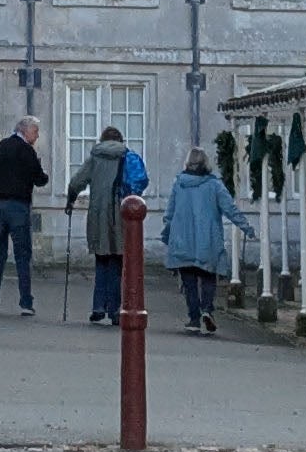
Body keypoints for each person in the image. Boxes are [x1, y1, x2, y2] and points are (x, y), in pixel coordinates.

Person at [159, 146, 255, 335]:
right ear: (206, 163)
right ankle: (207, 310)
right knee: (208, 277)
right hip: (207, 240)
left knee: (189, 282)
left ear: (187, 162)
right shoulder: (214, 184)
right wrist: (247, 227)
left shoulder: (179, 183)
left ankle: (194, 319)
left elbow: (169, 213)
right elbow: (230, 209)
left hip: (183, 240)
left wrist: (167, 235)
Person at [67, 121, 148, 325]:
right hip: (122, 214)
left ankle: (98, 307)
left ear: (103, 140)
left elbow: (76, 182)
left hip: (98, 215)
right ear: (120, 140)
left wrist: (71, 200)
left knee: (101, 260)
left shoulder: (95, 157)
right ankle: (114, 310)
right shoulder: (126, 156)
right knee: (118, 263)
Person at [0, 115, 46, 313]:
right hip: (18, 205)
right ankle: (26, 302)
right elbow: (39, 179)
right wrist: (43, 173)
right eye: (35, 131)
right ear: (25, 131)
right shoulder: (27, 151)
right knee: (22, 255)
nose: (37, 135)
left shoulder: (1, 146)